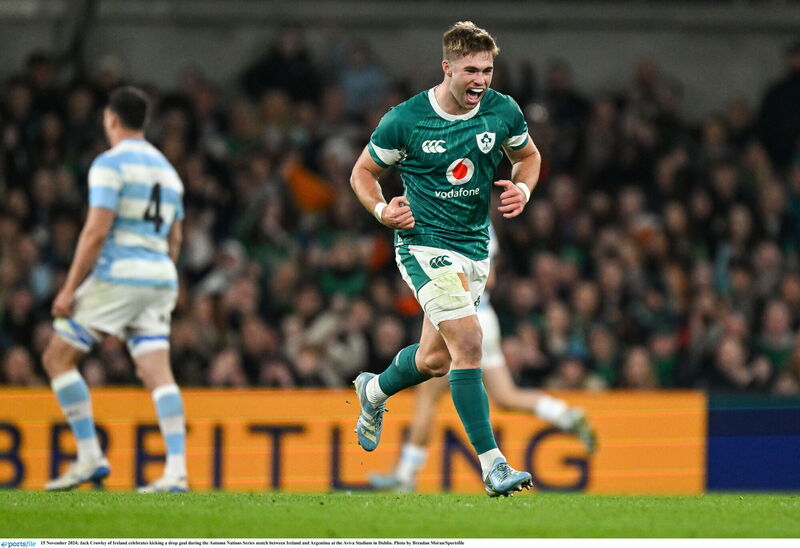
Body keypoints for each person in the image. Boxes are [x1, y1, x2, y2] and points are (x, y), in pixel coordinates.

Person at [350, 21, 541, 497]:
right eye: (471, 70)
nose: (480, 80)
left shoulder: (502, 111)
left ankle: (373, 391)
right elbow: (363, 172)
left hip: (474, 248)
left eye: (488, 70)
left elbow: (529, 157)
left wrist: (522, 187)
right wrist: (380, 210)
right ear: (447, 67)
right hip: (423, 244)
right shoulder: (406, 120)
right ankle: (493, 466)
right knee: (469, 342)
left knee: (436, 360)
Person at [41, 86, 188, 493]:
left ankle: (89, 455)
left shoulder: (109, 164)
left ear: (110, 119)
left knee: (57, 357)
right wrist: (164, 278)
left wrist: (69, 288)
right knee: (157, 372)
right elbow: (176, 236)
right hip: (160, 274)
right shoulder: (168, 171)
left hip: (120, 273)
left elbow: (96, 231)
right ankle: (176, 470)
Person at [368, 231, 596, 492]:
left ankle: (405, 475)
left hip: (463, 319)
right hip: (485, 318)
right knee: (506, 395)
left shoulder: (455, 215)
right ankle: (563, 414)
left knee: (428, 394)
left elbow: (489, 278)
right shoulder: (480, 217)